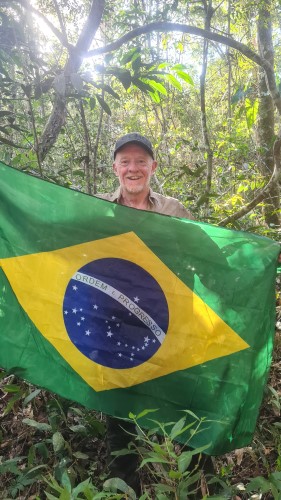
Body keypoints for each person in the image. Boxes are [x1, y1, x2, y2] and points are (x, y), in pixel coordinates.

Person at [97, 132, 197, 493]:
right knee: (119, 406)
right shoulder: (95, 209)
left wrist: (258, 259)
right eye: (126, 162)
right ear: (115, 168)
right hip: (114, 324)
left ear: (153, 167)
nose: (133, 168)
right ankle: (127, 483)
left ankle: (191, 477)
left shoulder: (174, 211)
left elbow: (204, 254)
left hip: (164, 322)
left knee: (179, 395)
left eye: (141, 161)